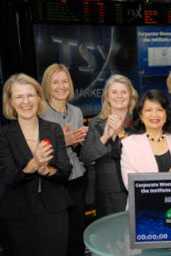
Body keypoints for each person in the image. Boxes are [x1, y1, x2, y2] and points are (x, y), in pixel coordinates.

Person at [0, 73, 72, 256]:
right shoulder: (4, 134)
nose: (26, 101)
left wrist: (46, 170)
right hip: (19, 215)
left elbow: (65, 170)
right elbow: (8, 177)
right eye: (19, 96)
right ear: (10, 102)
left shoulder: (53, 129)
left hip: (54, 212)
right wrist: (32, 165)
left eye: (30, 95)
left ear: (39, 97)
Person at [40, 63, 88, 256]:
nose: (61, 86)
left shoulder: (76, 112)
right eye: (55, 82)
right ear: (47, 86)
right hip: (52, 180)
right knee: (56, 233)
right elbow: (34, 148)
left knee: (77, 230)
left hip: (76, 177)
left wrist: (76, 142)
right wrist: (63, 141)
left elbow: (77, 148)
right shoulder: (39, 112)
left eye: (65, 81)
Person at [80, 74, 138, 217]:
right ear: (106, 96)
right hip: (106, 192)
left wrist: (121, 132)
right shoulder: (95, 122)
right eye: (114, 92)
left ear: (131, 96)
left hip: (134, 188)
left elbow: (140, 155)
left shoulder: (139, 123)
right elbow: (85, 156)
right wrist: (104, 137)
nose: (119, 96)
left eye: (124, 92)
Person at [121, 90, 171, 190]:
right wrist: (170, 177)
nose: (154, 114)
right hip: (144, 205)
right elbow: (131, 186)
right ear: (141, 116)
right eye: (149, 110)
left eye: (159, 110)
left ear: (166, 114)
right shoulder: (129, 145)